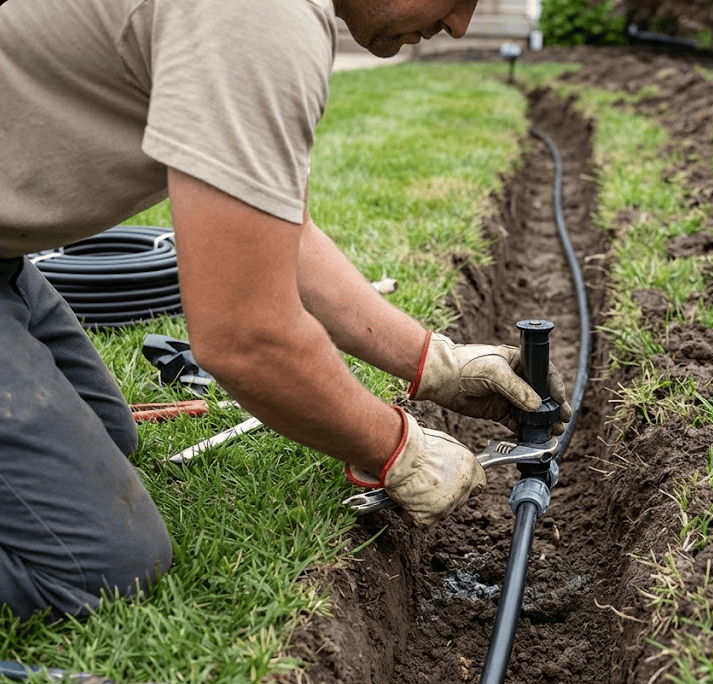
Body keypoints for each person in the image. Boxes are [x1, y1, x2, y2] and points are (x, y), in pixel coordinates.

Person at [0, 0, 571, 622]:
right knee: (99, 565)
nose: (459, 25)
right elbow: (246, 337)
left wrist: (437, 364)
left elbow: (283, 233)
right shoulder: (259, 19)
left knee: (110, 437)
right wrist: (397, 447)